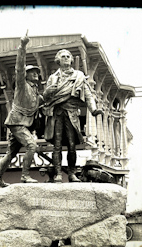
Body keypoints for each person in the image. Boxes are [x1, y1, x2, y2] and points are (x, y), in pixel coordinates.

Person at [43, 49, 103, 183]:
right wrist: (48, 91)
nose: (65, 58)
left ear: (71, 60)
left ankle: (71, 173)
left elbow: (88, 94)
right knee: (57, 145)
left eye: (68, 56)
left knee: (71, 145)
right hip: (57, 113)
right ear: (58, 60)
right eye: (62, 56)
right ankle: (58, 173)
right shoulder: (53, 77)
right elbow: (45, 98)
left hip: (72, 114)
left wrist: (93, 109)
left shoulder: (79, 76)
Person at [0, 32, 44, 187]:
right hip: (17, 122)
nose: (35, 74)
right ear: (26, 75)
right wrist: (22, 47)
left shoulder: (36, 92)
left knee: (11, 152)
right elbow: (19, 67)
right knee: (32, 145)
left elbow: (43, 102)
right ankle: (25, 176)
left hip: (22, 124)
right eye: (32, 72)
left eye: (37, 72)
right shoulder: (22, 85)